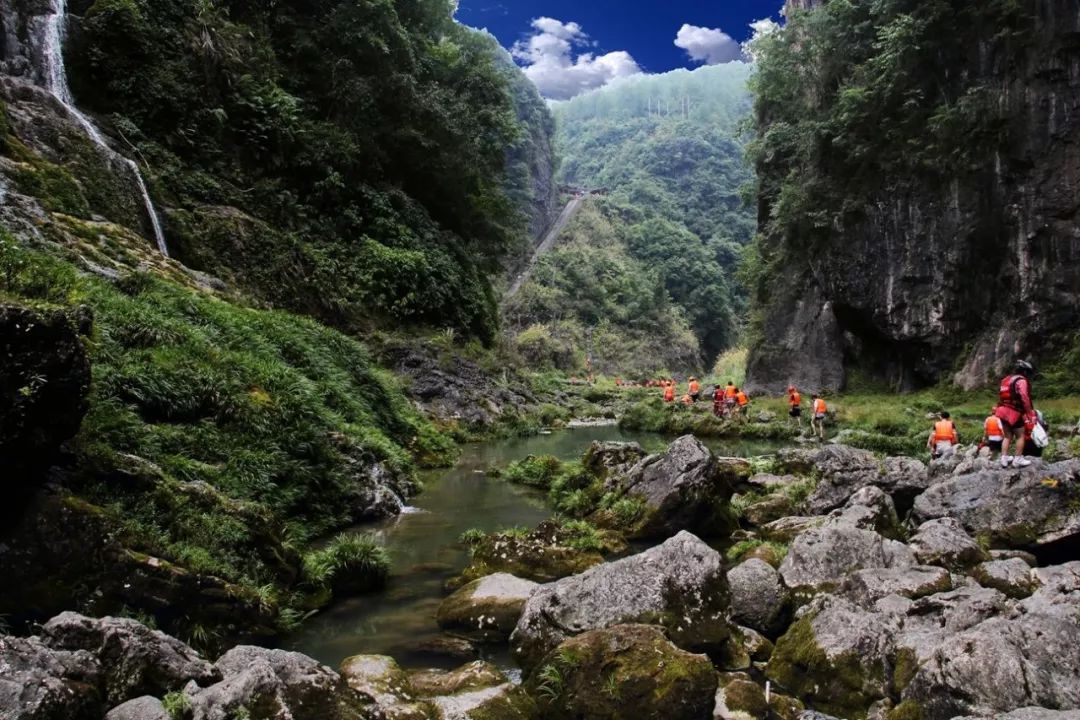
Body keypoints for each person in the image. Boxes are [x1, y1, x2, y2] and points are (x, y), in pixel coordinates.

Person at [994, 360, 1037, 468]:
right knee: (1020, 436)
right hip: (1013, 411)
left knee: (1007, 436)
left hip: (1002, 410)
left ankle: (1004, 458)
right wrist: (1029, 413)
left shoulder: (1006, 379)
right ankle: (1017, 459)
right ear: (1025, 372)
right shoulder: (1021, 381)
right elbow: (1024, 397)